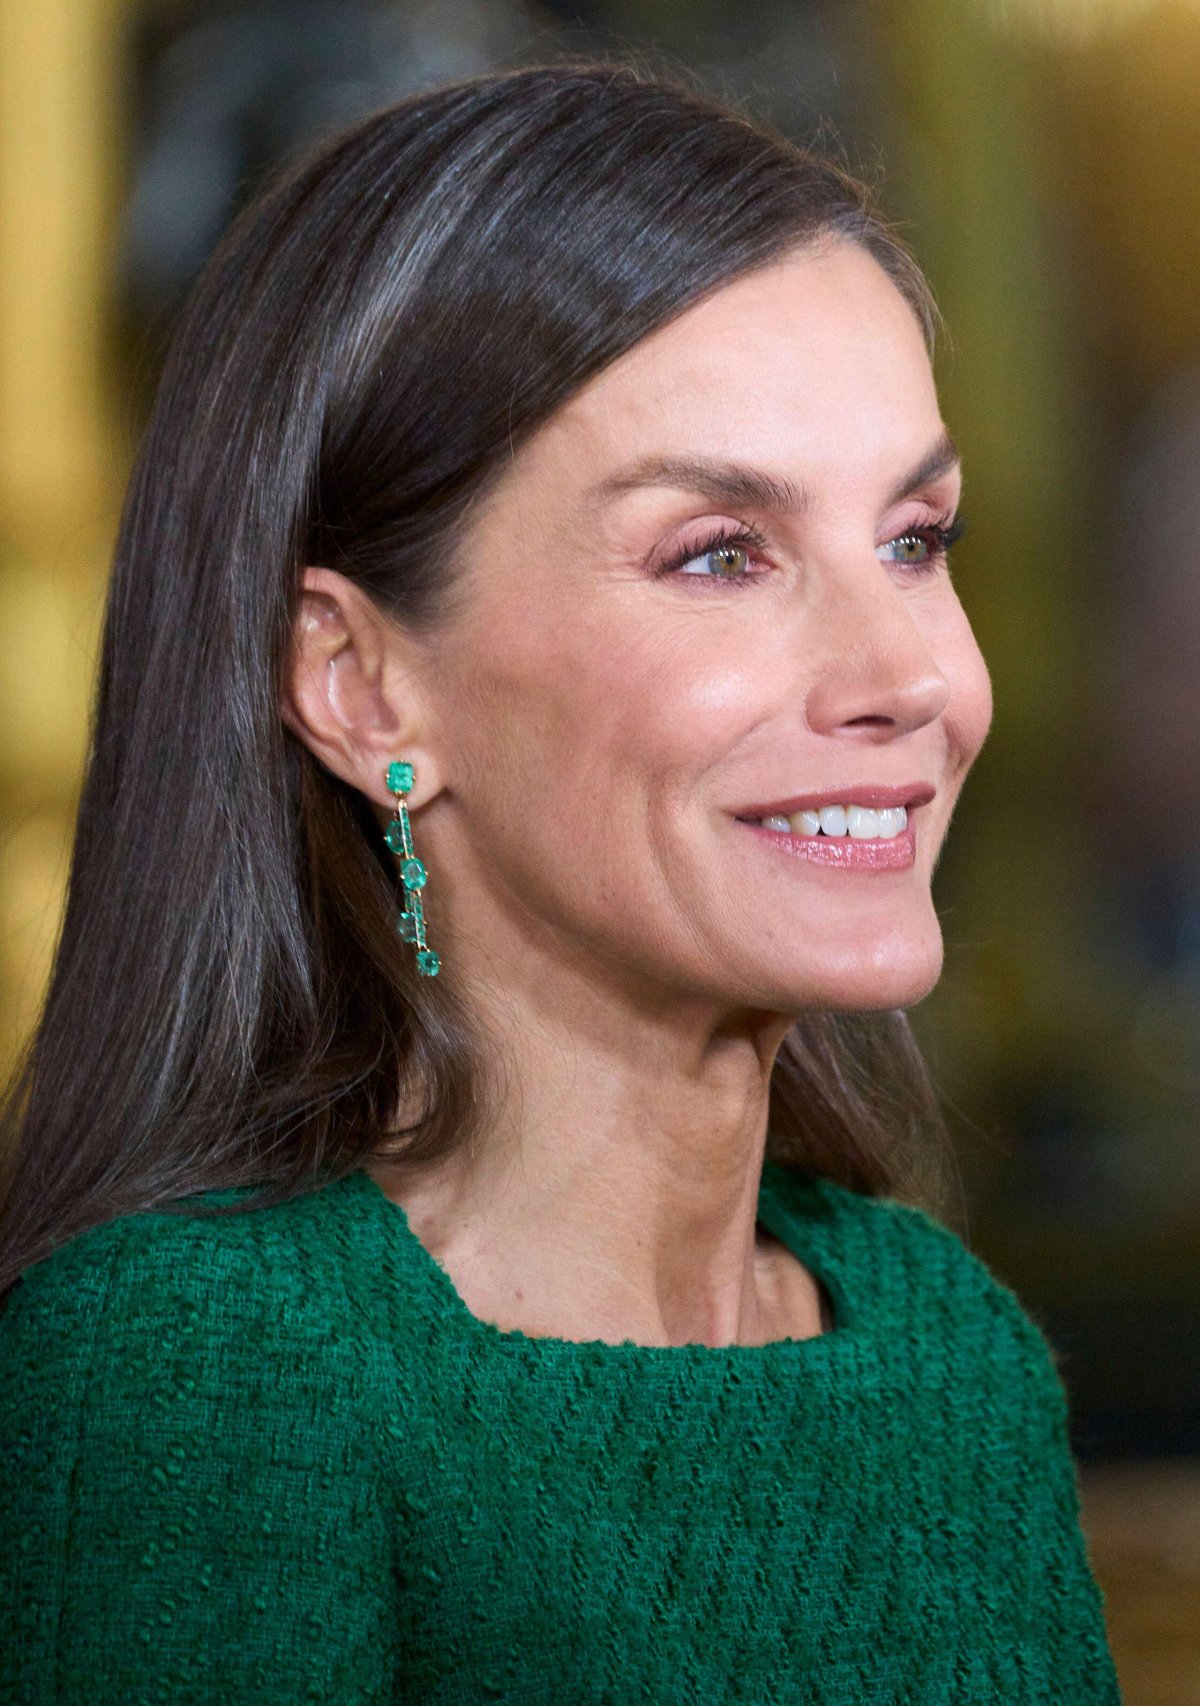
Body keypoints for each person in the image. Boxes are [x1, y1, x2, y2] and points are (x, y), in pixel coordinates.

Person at [0, 60, 1120, 1704]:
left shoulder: (948, 1343)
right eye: (720, 554)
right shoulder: (199, 1369)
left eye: (915, 538)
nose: (910, 676)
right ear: (361, 684)